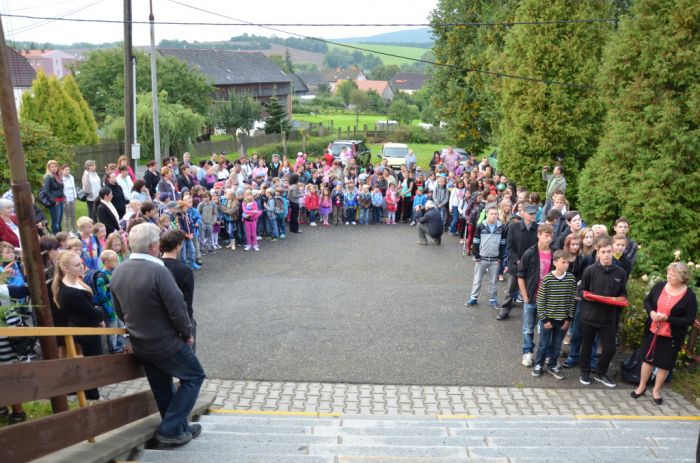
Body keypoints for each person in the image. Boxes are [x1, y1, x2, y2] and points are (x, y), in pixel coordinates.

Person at [111, 223, 204, 445]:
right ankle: (171, 428)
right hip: (165, 342)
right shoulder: (158, 271)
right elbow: (177, 307)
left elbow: (118, 309)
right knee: (194, 376)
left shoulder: (119, 270)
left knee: (162, 386)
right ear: (154, 246)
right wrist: (186, 333)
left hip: (140, 342)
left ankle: (179, 427)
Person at [632, 262, 697, 405]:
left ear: (682, 277)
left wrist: (668, 318)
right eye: (668, 273)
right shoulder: (660, 286)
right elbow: (647, 301)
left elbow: (689, 319)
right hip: (653, 330)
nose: (669, 276)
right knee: (647, 359)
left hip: (672, 335)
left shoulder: (689, 295)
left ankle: (656, 390)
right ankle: (642, 386)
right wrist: (652, 312)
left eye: (673, 275)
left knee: (664, 363)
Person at [53, 251, 105, 401]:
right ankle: (92, 394)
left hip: (87, 327)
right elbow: (93, 312)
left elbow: (91, 307)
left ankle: (89, 391)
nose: (82, 266)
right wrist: (99, 312)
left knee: (90, 362)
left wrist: (96, 311)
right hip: (85, 331)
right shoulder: (69, 292)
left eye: (81, 262)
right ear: (66, 269)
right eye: (77, 265)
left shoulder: (76, 281)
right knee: (91, 364)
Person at [579, 236, 628, 388]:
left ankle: (600, 372)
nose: (607, 255)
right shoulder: (589, 270)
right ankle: (584, 371)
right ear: (597, 253)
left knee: (610, 348)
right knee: (587, 346)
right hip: (589, 316)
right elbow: (581, 290)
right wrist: (587, 297)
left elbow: (623, 294)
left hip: (608, 318)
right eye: (604, 252)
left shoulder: (620, 273)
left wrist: (621, 299)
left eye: (609, 252)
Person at [531, 250, 576, 379]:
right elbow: (540, 300)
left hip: (562, 320)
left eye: (568, 262)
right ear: (555, 262)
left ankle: (552, 365)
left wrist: (568, 318)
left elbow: (572, 300)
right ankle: (539, 364)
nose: (566, 265)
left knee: (557, 344)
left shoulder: (571, 279)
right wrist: (544, 319)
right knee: (544, 344)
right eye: (563, 262)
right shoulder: (548, 279)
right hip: (548, 319)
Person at [517, 224, 554, 368]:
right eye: (546, 235)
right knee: (528, 327)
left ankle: (543, 354)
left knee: (545, 328)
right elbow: (521, 276)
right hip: (532, 297)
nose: (549, 239)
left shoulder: (554, 253)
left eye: (551, 236)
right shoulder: (530, 253)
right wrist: (525, 296)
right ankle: (527, 353)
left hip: (547, 299)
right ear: (538, 235)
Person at [497, 203, 539, 321]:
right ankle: (505, 310)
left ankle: (530, 315)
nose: (533, 215)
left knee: (530, 291)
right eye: (530, 213)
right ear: (523, 214)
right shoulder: (514, 227)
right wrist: (518, 260)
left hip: (532, 265)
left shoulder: (537, 228)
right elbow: (510, 246)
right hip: (515, 265)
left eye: (534, 213)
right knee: (511, 290)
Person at [161, 230, 197, 352]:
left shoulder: (155, 266)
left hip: (161, 319)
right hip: (182, 318)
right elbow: (187, 300)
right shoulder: (184, 270)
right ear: (177, 247)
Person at [465, 206, 506, 310]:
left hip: (495, 259)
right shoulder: (480, 226)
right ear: (487, 214)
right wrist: (476, 255)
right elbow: (476, 241)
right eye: (491, 213)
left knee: (493, 280)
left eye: (496, 214)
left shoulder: (501, 227)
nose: (494, 216)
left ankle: (493, 299)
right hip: (482, 258)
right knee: (477, 279)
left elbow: (503, 243)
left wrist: (500, 257)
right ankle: (473, 297)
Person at [41, 160, 65, 234]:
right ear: (49, 168)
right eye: (52, 167)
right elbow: (46, 191)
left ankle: (60, 236)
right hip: (55, 202)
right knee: (56, 221)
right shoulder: (48, 177)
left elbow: (60, 189)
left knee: (60, 220)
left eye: (55, 166)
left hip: (61, 200)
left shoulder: (58, 176)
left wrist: (64, 197)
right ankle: (56, 236)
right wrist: (53, 201)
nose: (54, 168)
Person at [61, 165, 77, 233]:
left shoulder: (71, 177)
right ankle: (68, 231)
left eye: (69, 170)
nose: (68, 171)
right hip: (65, 199)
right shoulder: (60, 178)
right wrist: (63, 199)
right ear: (62, 170)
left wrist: (75, 196)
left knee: (73, 215)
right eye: (66, 170)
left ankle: (74, 229)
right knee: (67, 216)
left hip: (72, 198)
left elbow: (73, 187)